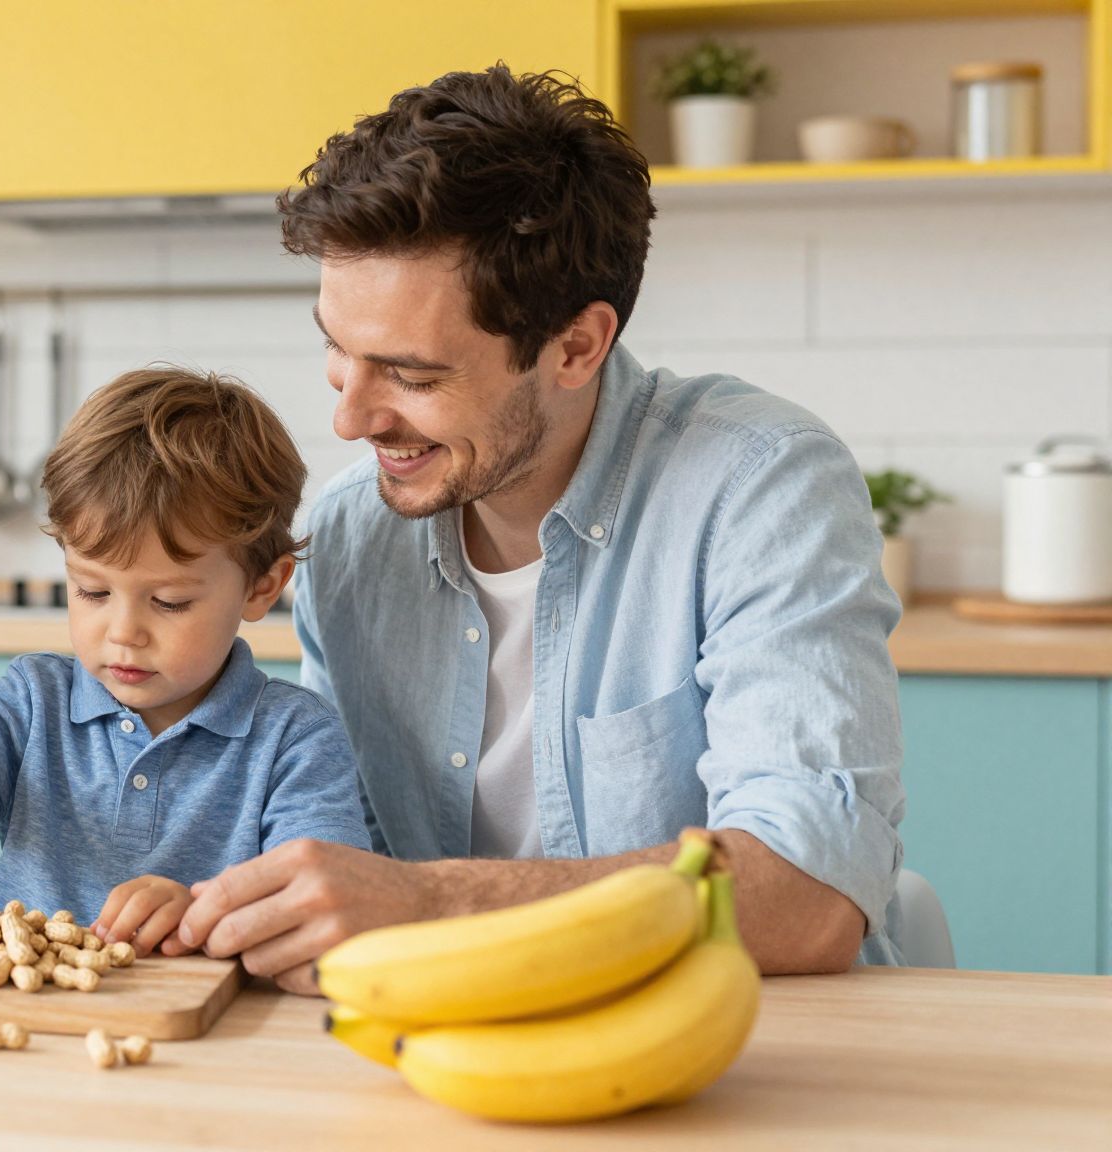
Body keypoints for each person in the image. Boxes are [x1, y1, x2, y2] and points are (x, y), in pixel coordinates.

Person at [173, 67, 906, 989]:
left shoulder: (759, 487)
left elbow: (807, 896)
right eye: (336, 349)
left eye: (412, 375)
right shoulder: (353, 538)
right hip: (451, 1043)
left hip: (756, 1056)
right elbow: (335, 845)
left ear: (575, 347)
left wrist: (433, 900)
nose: (350, 421)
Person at [0, 368, 369, 953]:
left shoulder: (296, 739)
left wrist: (201, 912)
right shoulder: (32, 702)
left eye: (170, 602)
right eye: (92, 593)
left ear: (262, 587)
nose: (123, 633)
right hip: (32, 1016)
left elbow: (323, 905)